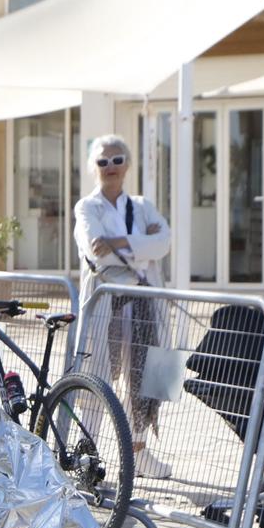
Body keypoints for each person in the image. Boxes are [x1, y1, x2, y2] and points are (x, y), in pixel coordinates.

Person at [73, 134, 174, 478]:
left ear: (127, 165)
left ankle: (139, 452)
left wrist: (118, 242)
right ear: (94, 168)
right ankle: (88, 453)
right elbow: (93, 251)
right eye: (103, 162)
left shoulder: (143, 205)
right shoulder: (86, 207)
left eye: (117, 160)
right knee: (96, 376)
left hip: (146, 303)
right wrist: (140, 245)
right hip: (106, 304)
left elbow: (164, 243)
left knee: (148, 376)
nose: (110, 167)